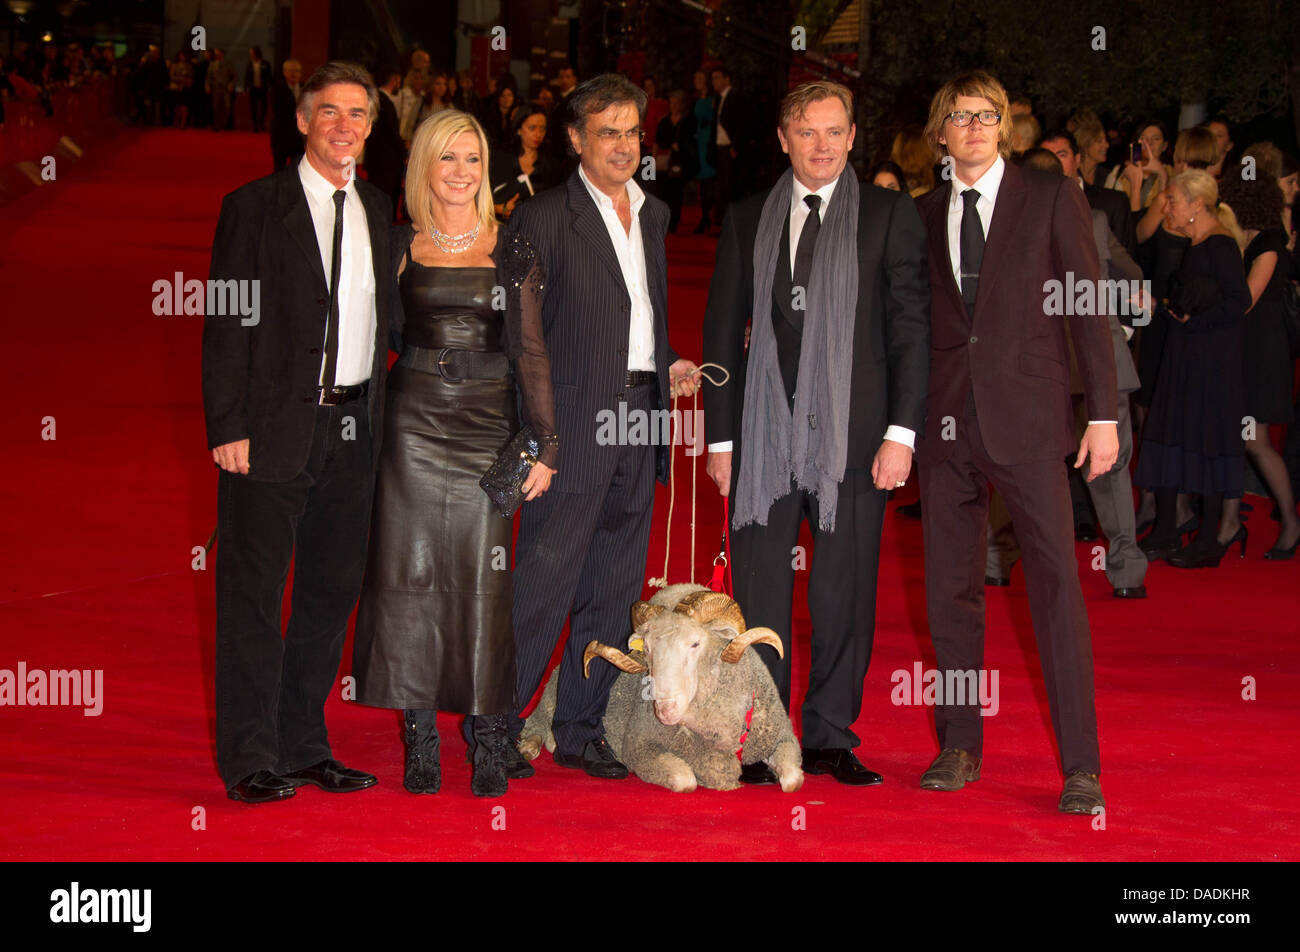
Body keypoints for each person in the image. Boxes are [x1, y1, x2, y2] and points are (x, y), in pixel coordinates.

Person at [702, 80, 929, 786]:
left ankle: (830, 734)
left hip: (856, 443)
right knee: (763, 596)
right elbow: (719, 333)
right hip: (763, 443)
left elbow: (911, 333)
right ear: (782, 139)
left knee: (842, 593)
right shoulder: (746, 219)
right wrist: (720, 442)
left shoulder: (889, 216)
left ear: (854, 136)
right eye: (807, 133)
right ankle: (766, 737)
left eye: (834, 132)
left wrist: (903, 433)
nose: (821, 145)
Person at [483, 73, 700, 779]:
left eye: (633, 131)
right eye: (608, 131)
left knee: (614, 584)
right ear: (575, 138)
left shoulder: (656, 214)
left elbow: (638, 311)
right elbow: (525, 339)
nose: (624, 145)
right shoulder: (541, 217)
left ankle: (580, 726)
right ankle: (496, 725)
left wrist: (665, 361)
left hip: (641, 418)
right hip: (573, 425)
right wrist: (542, 438)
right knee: (544, 580)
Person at [913, 71, 1118, 815]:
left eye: (987, 115)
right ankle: (960, 744)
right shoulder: (923, 210)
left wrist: (1103, 412)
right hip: (946, 424)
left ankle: (1082, 766)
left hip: (1030, 419)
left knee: (1057, 587)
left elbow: (1088, 301)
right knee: (951, 591)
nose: (973, 126)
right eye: (960, 116)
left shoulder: (1048, 192)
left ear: (1004, 127)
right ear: (941, 132)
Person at [203, 61, 393, 803]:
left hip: (353, 430)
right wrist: (229, 424)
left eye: (358, 113)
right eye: (329, 112)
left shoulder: (378, 208)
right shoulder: (253, 206)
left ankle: (304, 743)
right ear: (302, 121)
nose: (344, 126)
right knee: (253, 595)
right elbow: (226, 321)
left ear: (372, 126)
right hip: (272, 430)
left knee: (328, 592)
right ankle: (250, 755)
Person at [351, 110, 556, 798]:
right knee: (408, 580)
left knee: (483, 584)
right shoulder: (398, 245)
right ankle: (420, 742)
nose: (462, 172)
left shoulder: (512, 245)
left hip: (486, 430)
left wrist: (545, 446)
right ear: (425, 168)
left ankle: (492, 738)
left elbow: (529, 351)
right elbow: (374, 334)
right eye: (449, 159)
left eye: (473, 159)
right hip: (410, 427)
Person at [985, 148, 1148, 598]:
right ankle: (1128, 573)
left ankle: (997, 561)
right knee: (1110, 469)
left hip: (1032, 368)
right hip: (1097, 362)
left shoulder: (997, 221)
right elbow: (1134, 275)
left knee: (1015, 462)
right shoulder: (1093, 219)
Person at [1135, 170, 1251, 568]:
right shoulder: (1197, 242)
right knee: (1172, 430)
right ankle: (1167, 528)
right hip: (1185, 353)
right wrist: (1164, 309)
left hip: (1210, 360)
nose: (1167, 207)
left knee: (1206, 438)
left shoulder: (1219, 244)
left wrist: (1192, 322)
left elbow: (1239, 302)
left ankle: (1206, 541)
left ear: (1196, 203)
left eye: (1172, 199)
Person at [1212, 171, 1299, 559]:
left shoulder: (1269, 241)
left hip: (1262, 351)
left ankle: (1291, 523)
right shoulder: (1241, 239)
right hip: (1243, 347)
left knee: (1255, 441)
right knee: (1236, 438)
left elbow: (1245, 298)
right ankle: (1230, 523)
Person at [491, 105, 559, 221]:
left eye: (542, 128)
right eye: (532, 128)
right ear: (519, 129)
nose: (538, 134)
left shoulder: (551, 165)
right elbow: (480, 200)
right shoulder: (500, 160)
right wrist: (499, 209)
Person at [653, 89, 698, 233]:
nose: (673, 106)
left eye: (676, 103)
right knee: (662, 191)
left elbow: (691, 141)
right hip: (662, 160)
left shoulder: (687, 121)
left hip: (678, 161)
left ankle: (673, 221)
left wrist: (681, 146)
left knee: (676, 191)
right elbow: (657, 140)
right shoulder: (664, 121)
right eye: (671, 103)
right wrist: (652, 159)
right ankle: (663, 220)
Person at [365, 68, 407, 217]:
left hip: (378, 161)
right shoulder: (384, 101)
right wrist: (405, 153)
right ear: (394, 80)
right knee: (383, 205)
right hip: (385, 163)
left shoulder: (378, 99)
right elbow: (392, 133)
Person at [691, 68, 717, 233]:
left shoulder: (712, 99)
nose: (697, 81)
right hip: (698, 142)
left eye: (700, 77)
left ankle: (708, 215)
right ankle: (705, 215)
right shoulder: (695, 99)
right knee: (702, 182)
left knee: (710, 181)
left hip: (709, 141)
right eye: (696, 78)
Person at [269, 59, 304, 172]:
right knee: (280, 170)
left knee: (298, 171)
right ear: (284, 72)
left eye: (296, 71)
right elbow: (279, 111)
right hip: (281, 135)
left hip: (300, 138)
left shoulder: (307, 89)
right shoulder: (277, 89)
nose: (293, 74)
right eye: (290, 71)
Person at [206, 48, 235, 131]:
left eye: (218, 54)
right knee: (216, 107)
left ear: (222, 54)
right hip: (216, 88)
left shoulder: (228, 64)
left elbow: (233, 76)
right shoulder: (212, 64)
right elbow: (208, 77)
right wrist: (207, 86)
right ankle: (216, 125)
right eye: (216, 54)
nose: (216, 55)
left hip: (226, 88)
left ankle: (224, 123)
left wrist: (231, 84)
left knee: (227, 106)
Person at [245, 46, 269, 133]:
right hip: (253, 88)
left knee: (263, 107)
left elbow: (269, 76)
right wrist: (246, 88)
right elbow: (247, 77)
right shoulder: (250, 64)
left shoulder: (265, 63)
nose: (251, 55)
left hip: (262, 88)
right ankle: (255, 125)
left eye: (252, 53)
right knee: (253, 108)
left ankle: (261, 123)